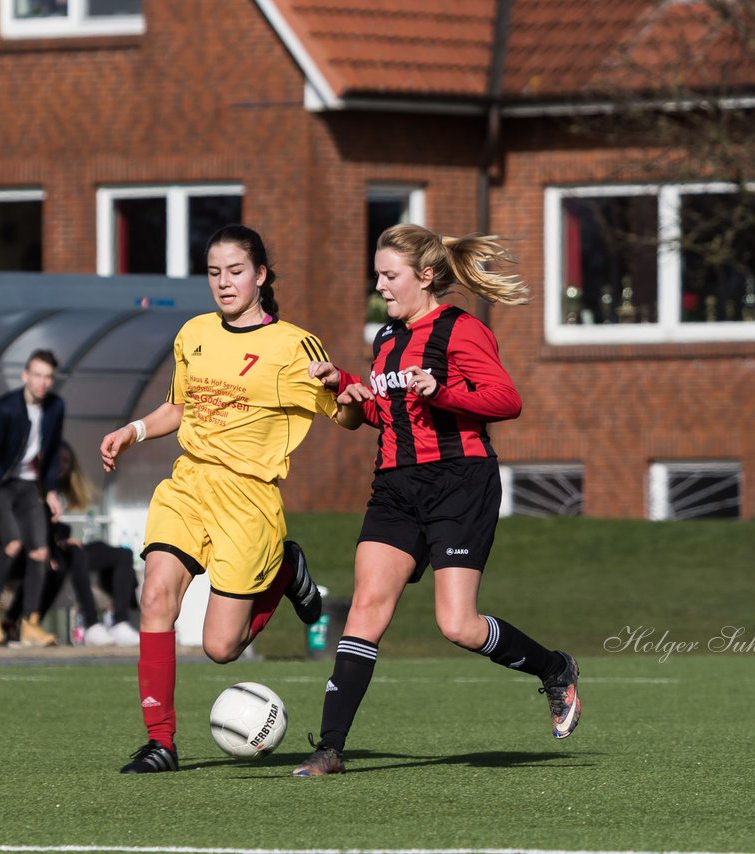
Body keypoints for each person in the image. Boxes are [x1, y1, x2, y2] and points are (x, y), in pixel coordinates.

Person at [294, 223, 581, 777]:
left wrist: (441, 390)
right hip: (395, 486)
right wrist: (346, 384)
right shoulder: (386, 338)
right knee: (365, 609)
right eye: (376, 274)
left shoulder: (460, 330)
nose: (379, 285)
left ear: (425, 277)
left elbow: (506, 399)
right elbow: (384, 411)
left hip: (459, 481)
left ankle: (556, 668)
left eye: (389, 275)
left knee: (458, 625)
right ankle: (330, 748)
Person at [99, 224, 342, 774]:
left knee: (220, 649)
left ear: (260, 275)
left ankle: (285, 569)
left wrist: (341, 387)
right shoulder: (194, 333)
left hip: (248, 500)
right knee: (156, 596)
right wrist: (132, 431)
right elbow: (177, 409)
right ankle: (161, 742)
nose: (224, 283)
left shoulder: (294, 345)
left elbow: (346, 414)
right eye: (214, 273)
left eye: (235, 271)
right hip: (189, 485)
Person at [0, 442, 141, 647]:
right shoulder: (32, 489)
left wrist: (62, 536)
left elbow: (57, 526)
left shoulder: (65, 491)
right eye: (58, 461)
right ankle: (90, 624)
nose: (62, 466)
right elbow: (31, 528)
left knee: (122, 555)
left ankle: (120, 621)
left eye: (67, 461)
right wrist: (56, 542)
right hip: (41, 552)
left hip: (66, 547)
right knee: (73, 556)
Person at [0, 349, 66, 647]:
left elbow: (50, 456)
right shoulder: (5, 408)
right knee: (13, 543)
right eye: (37, 375)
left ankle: (30, 623)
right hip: (2, 485)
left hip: (30, 487)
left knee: (41, 552)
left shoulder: (55, 407)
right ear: (25, 375)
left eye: (48, 377)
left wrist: (51, 490)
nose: (42, 382)